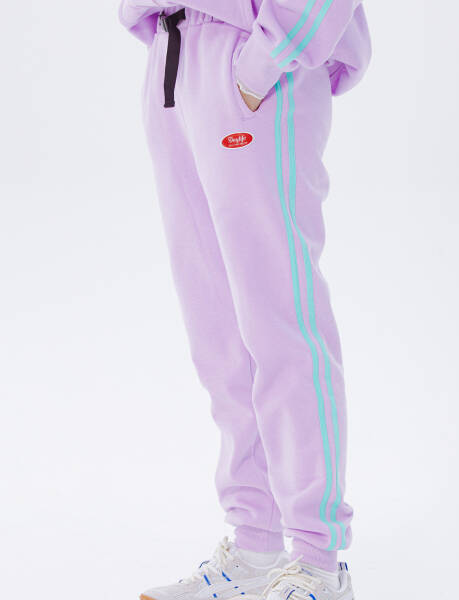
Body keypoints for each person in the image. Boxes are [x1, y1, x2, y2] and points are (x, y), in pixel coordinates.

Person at [119, 2, 371, 599]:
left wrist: (266, 57)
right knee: (218, 334)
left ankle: (316, 559)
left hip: (252, 59)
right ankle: (256, 545)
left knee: (280, 319)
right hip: (175, 56)